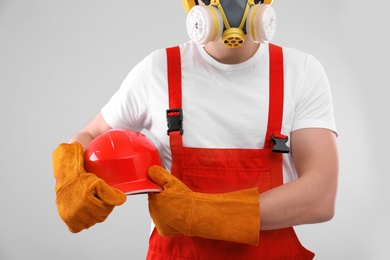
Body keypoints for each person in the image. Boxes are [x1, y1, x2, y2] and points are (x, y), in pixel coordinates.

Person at [52, 0, 338, 259]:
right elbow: (90, 135)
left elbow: (321, 196)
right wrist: (72, 177)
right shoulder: (158, 70)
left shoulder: (300, 72)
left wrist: (195, 213)